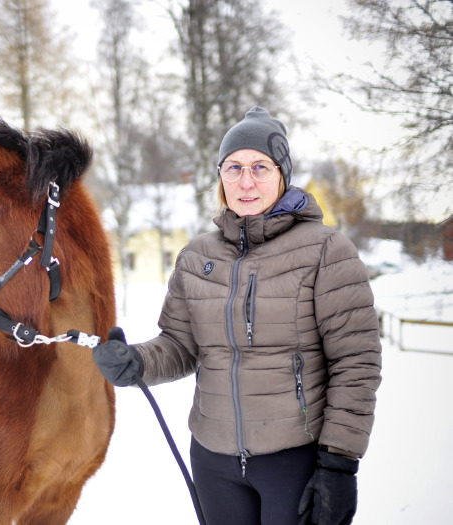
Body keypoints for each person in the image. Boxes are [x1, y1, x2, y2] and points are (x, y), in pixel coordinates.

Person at [93, 107, 382, 525]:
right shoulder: (196, 257)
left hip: (293, 460)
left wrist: (339, 462)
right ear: (220, 176)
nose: (246, 181)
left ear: (282, 174)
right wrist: (136, 361)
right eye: (234, 167)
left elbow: (356, 362)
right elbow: (179, 345)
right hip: (213, 462)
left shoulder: (326, 251)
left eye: (260, 167)